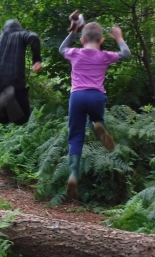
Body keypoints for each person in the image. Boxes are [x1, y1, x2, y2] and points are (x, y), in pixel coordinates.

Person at [59, 14, 131, 200]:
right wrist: (119, 38)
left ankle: (74, 174)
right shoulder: (104, 56)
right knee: (96, 120)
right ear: (101, 40)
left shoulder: (75, 53)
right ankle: (97, 125)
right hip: (96, 96)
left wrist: (73, 32)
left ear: (82, 40)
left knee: (75, 136)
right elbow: (126, 54)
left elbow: (62, 49)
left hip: (77, 96)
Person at [0, 19, 42, 125]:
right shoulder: (21, 35)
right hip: (14, 83)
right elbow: (33, 37)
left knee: (2, 120)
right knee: (23, 118)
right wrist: (36, 60)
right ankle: (7, 98)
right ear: (19, 28)